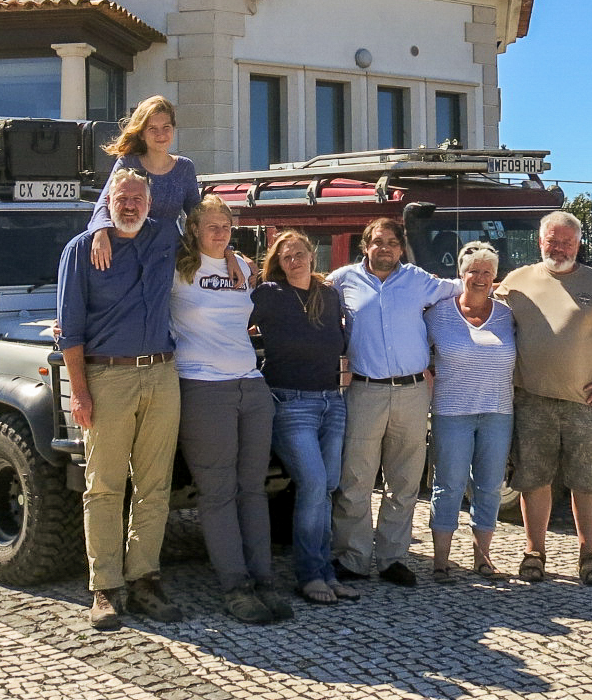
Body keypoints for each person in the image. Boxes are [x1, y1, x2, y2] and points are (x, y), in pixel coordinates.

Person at [56, 167, 183, 630]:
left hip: (163, 375)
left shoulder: (165, 237)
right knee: (105, 486)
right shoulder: (81, 251)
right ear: (106, 202)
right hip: (107, 377)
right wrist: (81, 395)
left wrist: (234, 260)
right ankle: (106, 587)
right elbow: (70, 333)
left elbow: (208, 240)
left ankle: (145, 577)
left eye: (137, 199)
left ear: (150, 202)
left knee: (155, 486)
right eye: (121, 199)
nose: (129, 206)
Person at [496, 210, 592, 587]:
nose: (559, 248)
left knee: (586, 481)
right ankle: (534, 552)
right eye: (553, 240)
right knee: (533, 480)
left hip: (585, 404)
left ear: (579, 243)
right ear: (540, 241)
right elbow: (483, 308)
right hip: (532, 400)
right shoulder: (517, 281)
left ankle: (589, 554)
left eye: (567, 241)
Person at [170, 197, 291, 624]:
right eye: (211, 225)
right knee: (218, 492)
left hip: (250, 385)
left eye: (225, 224)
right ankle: (235, 586)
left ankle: (263, 579)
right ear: (194, 229)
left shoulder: (241, 264)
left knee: (253, 488)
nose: (220, 231)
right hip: (203, 386)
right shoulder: (177, 268)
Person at [327, 217, 459, 587]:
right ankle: (352, 558)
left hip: (412, 393)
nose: (384, 248)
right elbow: (307, 289)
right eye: (377, 241)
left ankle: (392, 559)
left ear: (401, 247)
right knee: (355, 479)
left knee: (403, 481)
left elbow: (466, 286)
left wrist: (507, 285)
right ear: (365, 245)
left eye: (391, 242)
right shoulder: (342, 281)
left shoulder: (419, 280)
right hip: (364, 391)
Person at [250, 230, 359, 604]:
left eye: (299, 253)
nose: (294, 260)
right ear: (277, 264)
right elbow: (232, 321)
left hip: (333, 400)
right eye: (286, 256)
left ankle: (326, 572)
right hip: (291, 402)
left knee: (327, 487)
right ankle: (309, 575)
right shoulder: (268, 294)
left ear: (312, 254)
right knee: (313, 485)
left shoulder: (328, 295)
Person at [425, 241, 517, 583]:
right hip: (452, 413)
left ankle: (483, 558)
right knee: (448, 485)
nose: (479, 278)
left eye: (487, 272)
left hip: (497, 412)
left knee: (490, 486)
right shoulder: (437, 313)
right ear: (460, 274)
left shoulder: (508, 315)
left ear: (496, 277)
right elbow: (418, 355)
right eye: (473, 271)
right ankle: (441, 561)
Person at [88, 96, 245, 285]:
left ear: (174, 129)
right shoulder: (127, 163)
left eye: (166, 127)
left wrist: (229, 253)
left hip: (167, 257)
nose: (160, 134)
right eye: (152, 129)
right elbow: (105, 203)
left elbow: (199, 218)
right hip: (129, 255)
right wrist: (100, 233)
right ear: (141, 133)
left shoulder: (185, 168)